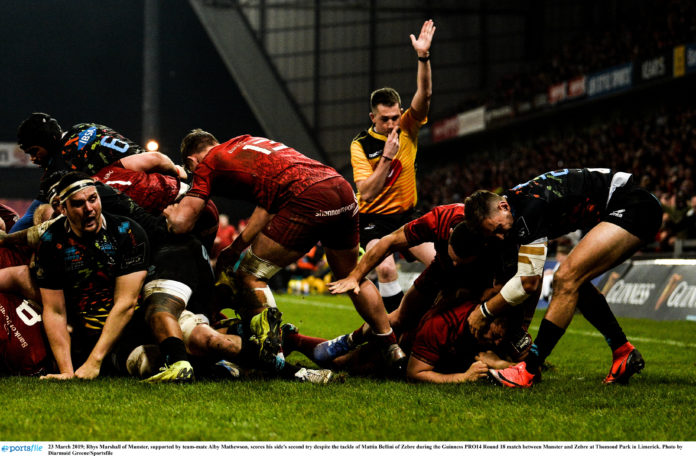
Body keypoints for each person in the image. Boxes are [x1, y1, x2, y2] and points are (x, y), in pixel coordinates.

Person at [165, 130, 406, 369]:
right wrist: (237, 246)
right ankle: (392, 346)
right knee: (353, 276)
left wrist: (169, 213)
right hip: (340, 188)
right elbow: (268, 204)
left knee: (249, 273)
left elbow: (182, 222)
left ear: (191, 161)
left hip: (309, 196)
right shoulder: (245, 142)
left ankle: (273, 354)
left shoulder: (207, 164)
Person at [463, 168, 663, 387]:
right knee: (577, 281)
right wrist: (520, 326)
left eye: (499, 229)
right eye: (494, 233)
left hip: (633, 204)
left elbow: (528, 283)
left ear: (502, 207)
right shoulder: (514, 208)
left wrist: (484, 312)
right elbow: (531, 278)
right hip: (619, 207)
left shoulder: (529, 207)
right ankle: (623, 352)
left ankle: (529, 370)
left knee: (567, 278)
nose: (500, 236)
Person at [325, 204, 521, 362]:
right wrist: (355, 276)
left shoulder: (500, 241)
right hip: (438, 271)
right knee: (398, 319)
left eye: (459, 261)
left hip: (473, 286)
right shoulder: (441, 219)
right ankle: (349, 341)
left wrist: (479, 307)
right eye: (452, 256)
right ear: (450, 232)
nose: (455, 263)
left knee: (434, 326)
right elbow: (389, 241)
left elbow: (513, 285)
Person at [350, 19, 437, 312]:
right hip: (372, 219)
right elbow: (368, 192)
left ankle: (427, 318)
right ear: (372, 117)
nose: (391, 124)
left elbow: (424, 96)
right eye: (384, 119)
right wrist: (386, 157)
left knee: (440, 262)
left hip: (406, 214)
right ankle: (394, 330)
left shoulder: (408, 127)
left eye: (394, 117)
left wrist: (423, 57)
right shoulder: (360, 144)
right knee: (386, 269)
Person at [35, 173, 150, 380]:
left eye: (93, 199)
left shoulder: (127, 231)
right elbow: (54, 311)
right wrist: (66, 372)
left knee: (153, 360)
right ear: (63, 209)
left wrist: (93, 363)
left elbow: (126, 303)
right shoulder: (51, 242)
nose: (89, 209)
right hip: (88, 336)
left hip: (133, 327)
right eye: (78, 204)